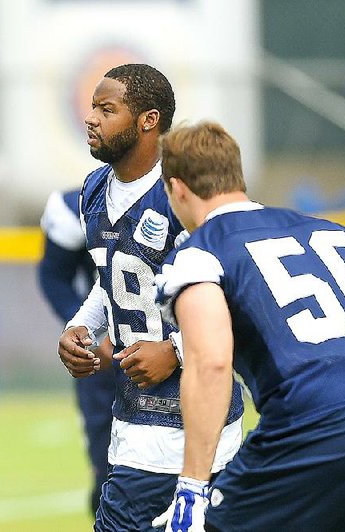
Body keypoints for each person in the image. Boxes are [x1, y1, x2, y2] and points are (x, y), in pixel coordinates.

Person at [154, 120, 345, 531]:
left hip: (318, 419)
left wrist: (192, 486)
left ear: (178, 188)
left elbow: (211, 363)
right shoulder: (338, 233)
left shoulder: (200, 253)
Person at [57, 64, 244, 531]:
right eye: (93, 107)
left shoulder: (184, 190)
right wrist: (81, 327)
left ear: (147, 120)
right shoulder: (93, 190)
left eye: (107, 108)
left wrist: (176, 351)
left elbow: (240, 291)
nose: (92, 118)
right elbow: (115, 278)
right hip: (134, 424)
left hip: (201, 427)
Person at [38, 187, 116, 514]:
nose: (92, 131)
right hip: (106, 364)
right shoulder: (80, 205)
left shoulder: (179, 193)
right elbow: (53, 276)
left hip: (176, 356)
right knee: (108, 481)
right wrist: (87, 334)